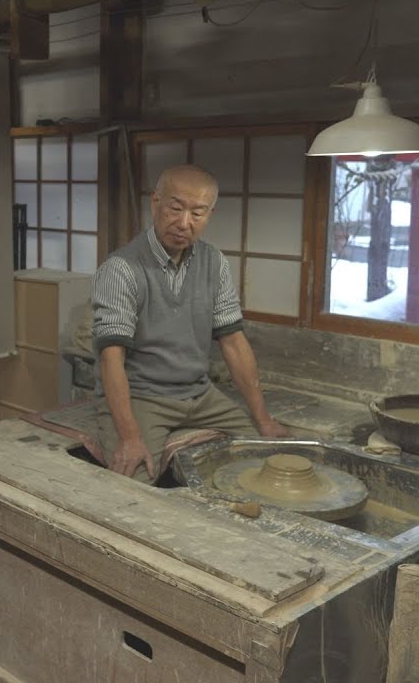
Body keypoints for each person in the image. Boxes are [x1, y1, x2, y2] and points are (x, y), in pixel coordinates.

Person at [92, 164, 290, 483]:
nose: (184, 223)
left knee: (262, 460)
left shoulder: (214, 262)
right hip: (143, 395)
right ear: (155, 202)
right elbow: (110, 357)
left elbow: (233, 342)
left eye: (198, 213)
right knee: (135, 480)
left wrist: (263, 419)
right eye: (175, 208)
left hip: (200, 395)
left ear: (210, 214)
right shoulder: (121, 268)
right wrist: (129, 437)